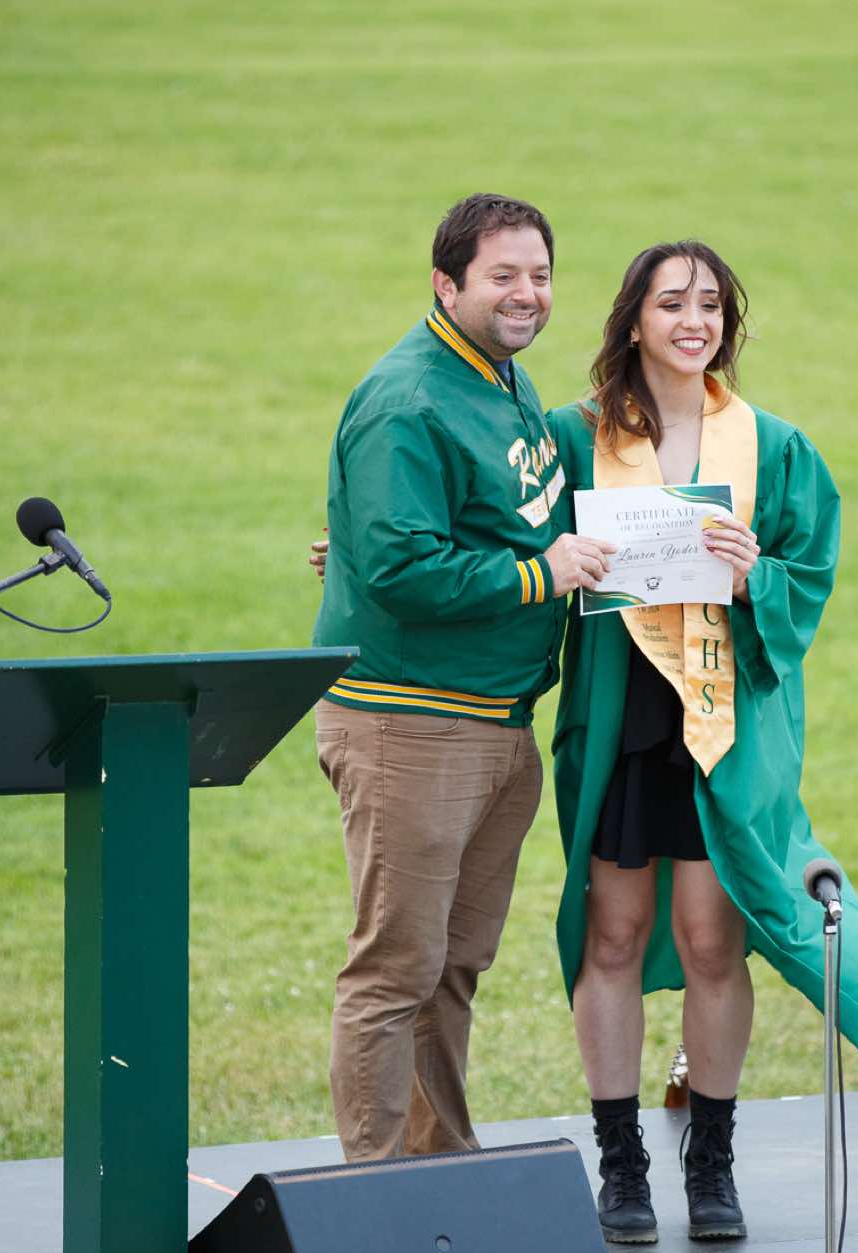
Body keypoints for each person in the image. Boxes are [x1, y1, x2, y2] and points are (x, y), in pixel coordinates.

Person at [547, 242, 858, 1243]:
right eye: (671, 303)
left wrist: (753, 575)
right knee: (613, 936)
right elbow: (501, 541)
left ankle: (710, 1159)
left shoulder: (772, 447)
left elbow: (811, 573)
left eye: (710, 304)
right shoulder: (573, 438)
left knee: (713, 940)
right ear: (633, 320)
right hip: (623, 718)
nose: (694, 321)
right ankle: (621, 1161)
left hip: (721, 723)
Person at [310, 193, 614, 1162]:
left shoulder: (499, 375)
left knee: (449, 967)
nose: (527, 294)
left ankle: (439, 1172)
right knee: (395, 971)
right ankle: (374, 1188)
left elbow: (441, 528)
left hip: (493, 723)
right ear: (446, 285)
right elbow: (401, 569)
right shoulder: (410, 399)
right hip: (411, 725)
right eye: (502, 276)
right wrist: (539, 574)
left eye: (540, 275)